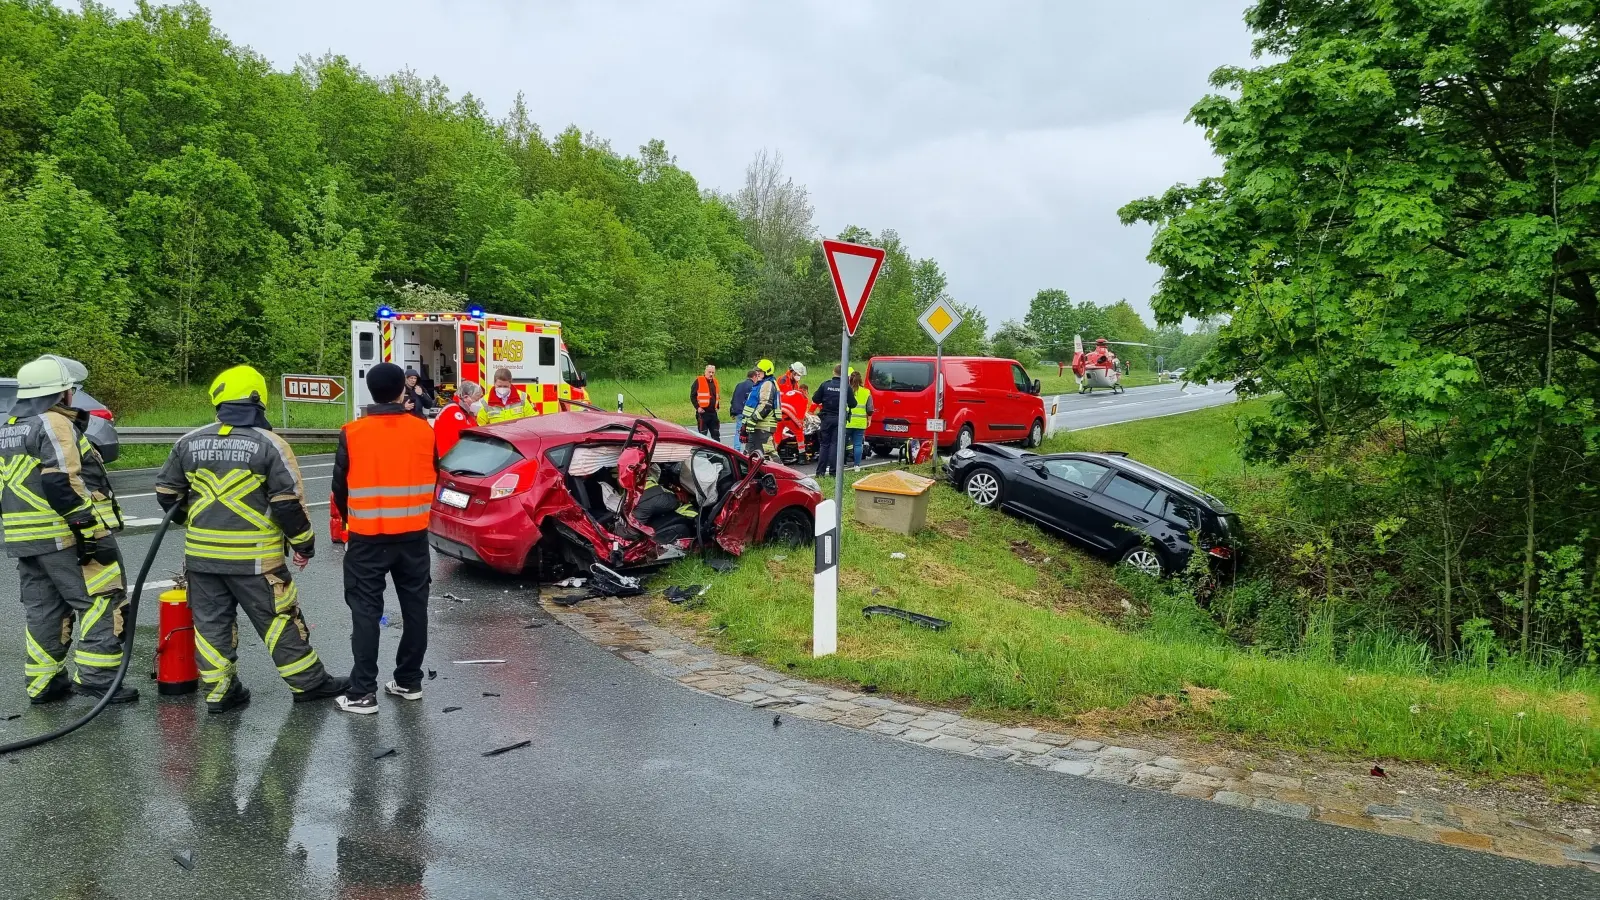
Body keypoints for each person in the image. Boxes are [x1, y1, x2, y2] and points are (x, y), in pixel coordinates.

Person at [154, 365, 347, 713]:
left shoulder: (188, 442)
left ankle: (220, 693)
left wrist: (197, 520)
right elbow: (287, 505)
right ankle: (309, 684)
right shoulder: (271, 445)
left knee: (211, 625)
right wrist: (304, 545)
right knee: (278, 619)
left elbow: (167, 494)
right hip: (256, 560)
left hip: (201, 558)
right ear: (259, 400)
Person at [0, 355, 135, 704]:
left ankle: (44, 683)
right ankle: (98, 679)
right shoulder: (52, 423)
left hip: (25, 539)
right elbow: (61, 482)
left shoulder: (9, 428)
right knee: (102, 601)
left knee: (44, 609)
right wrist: (88, 531)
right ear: (61, 395)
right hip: (65, 535)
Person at [333, 362, 438, 715]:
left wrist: (351, 524)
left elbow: (340, 488)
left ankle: (363, 692)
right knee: (415, 609)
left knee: (366, 613)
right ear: (402, 391)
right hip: (413, 536)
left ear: (370, 391)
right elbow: (434, 475)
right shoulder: (424, 431)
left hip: (367, 537)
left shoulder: (352, 432)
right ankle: (409, 681)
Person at [811, 364, 847, 477]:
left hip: (826, 419)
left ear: (833, 372)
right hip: (839, 419)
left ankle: (820, 472)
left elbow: (815, 399)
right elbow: (853, 403)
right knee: (834, 444)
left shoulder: (825, 385)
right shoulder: (845, 386)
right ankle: (833, 472)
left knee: (824, 445)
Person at [433, 381, 483, 459]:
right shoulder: (453, 411)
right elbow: (463, 440)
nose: (478, 403)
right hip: (450, 459)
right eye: (476, 400)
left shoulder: (465, 412)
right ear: (466, 397)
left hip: (455, 458)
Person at [742, 359, 780, 455]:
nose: (757, 373)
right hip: (757, 427)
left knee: (769, 456)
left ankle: (778, 470)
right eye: (757, 371)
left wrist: (753, 420)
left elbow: (765, 406)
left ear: (767, 372)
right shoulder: (761, 384)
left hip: (763, 427)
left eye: (760, 371)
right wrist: (745, 424)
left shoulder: (767, 384)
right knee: (749, 455)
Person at [844, 369, 874, 471]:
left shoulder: (846, 390)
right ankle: (857, 465)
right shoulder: (866, 392)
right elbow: (870, 409)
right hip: (860, 423)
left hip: (847, 422)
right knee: (858, 444)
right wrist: (869, 419)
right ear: (860, 380)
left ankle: (842, 462)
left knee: (843, 443)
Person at [728, 369, 758, 453]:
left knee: (738, 431)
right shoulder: (753, 386)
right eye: (757, 377)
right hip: (747, 413)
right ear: (754, 376)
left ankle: (736, 450)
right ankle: (748, 451)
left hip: (737, 411)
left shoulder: (739, 385)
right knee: (750, 432)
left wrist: (732, 411)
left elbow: (733, 399)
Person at [690, 364, 721, 441]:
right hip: (703, 413)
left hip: (713, 413)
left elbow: (716, 395)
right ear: (705, 371)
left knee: (716, 435)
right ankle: (700, 451)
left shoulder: (715, 382)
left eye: (713, 372)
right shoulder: (699, 380)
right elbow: (692, 396)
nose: (711, 374)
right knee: (702, 436)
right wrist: (698, 407)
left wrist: (717, 406)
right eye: (709, 372)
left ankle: (715, 452)